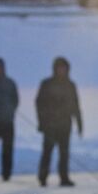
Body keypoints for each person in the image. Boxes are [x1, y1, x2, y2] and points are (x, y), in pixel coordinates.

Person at [35, 57, 82, 187]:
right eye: (59, 67)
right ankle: (43, 178)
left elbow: (76, 106)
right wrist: (41, 122)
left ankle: (64, 177)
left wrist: (79, 124)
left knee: (64, 153)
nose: (62, 70)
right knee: (47, 152)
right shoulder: (47, 84)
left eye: (64, 68)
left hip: (65, 125)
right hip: (49, 126)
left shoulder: (70, 85)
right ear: (55, 69)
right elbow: (39, 103)